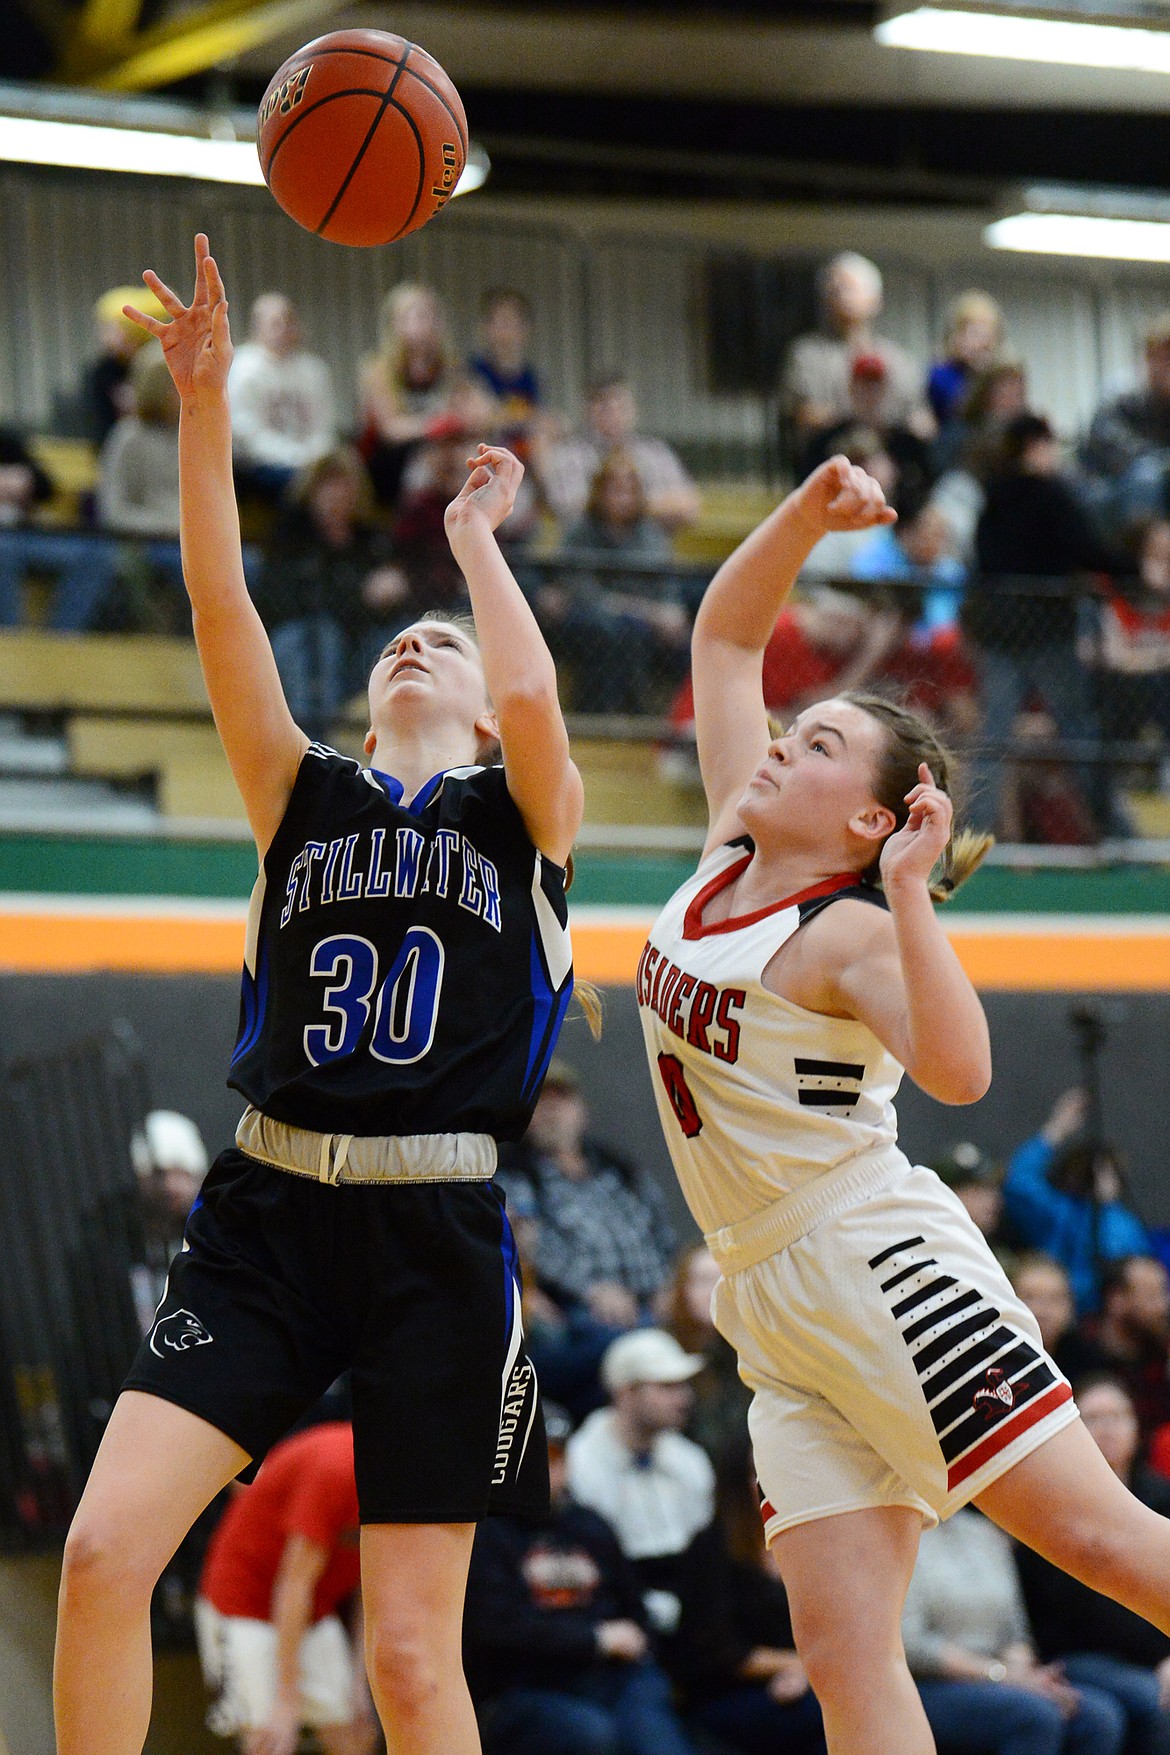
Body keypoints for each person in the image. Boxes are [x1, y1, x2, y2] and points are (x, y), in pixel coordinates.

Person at [54, 234, 589, 1755]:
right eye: (395, 636)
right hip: (269, 1216)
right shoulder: (302, 794)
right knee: (101, 1556)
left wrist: (476, 541)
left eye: (448, 640)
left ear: (481, 704)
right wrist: (205, 403)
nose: (415, 639)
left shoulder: (522, 816)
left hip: (439, 1233)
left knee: (412, 1661)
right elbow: (219, 600)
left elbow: (539, 698)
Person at [634, 448, 1170, 1755]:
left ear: (873, 820)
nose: (779, 737)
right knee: (839, 1646)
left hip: (876, 1259)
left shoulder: (851, 932)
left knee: (1106, 1540)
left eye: (816, 741)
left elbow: (960, 1072)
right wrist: (806, 516)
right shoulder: (727, 846)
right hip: (768, 1296)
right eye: (793, 723)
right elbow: (724, 632)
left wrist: (915, 897)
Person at [463, 1402, 696, 1755]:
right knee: (591, 1735)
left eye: (554, 1459)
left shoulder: (591, 1526)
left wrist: (630, 1643)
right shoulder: (485, 1535)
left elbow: (636, 1615)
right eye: (531, 1461)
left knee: (654, 1734)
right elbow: (492, 1631)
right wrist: (594, 1638)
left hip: (607, 1677)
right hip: (521, 1686)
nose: (545, 1473)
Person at [966, 411, 1125, 837]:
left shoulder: (993, 497)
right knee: (1077, 731)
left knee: (994, 737)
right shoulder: (1050, 495)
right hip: (1046, 633)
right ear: (1034, 446)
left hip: (999, 631)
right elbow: (1086, 548)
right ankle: (1115, 832)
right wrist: (1133, 570)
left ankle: (967, 838)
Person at [194, 1421, 376, 1755]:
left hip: (313, 1608)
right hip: (243, 1602)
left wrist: (359, 1684)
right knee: (268, 1737)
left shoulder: (410, 1489)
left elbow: (372, 1589)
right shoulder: (337, 1467)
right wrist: (286, 1700)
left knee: (354, 1730)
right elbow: (293, 1585)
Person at [1016, 1374, 1170, 1754]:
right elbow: (1077, 1612)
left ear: (1136, 1428)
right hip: (1077, 1655)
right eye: (1095, 1419)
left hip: (1151, 1655)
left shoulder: (1161, 1495)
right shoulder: (1049, 1503)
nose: (1109, 1429)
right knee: (1151, 1700)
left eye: (1119, 1417)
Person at [902, 1504, 1125, 1754]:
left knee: (1097, 1717)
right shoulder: (901, 1534)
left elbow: (1016, 1629)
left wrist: (1021, 1671)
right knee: (1035, 1717)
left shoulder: (983, 1531)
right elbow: (912, 1645)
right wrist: (1000, 1674)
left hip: (1000, 1672)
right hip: (933, 1682)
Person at [671, 1435, 826, 1754]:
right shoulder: (711, 1547)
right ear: (738, 1485)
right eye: (764, 1472)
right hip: (727, 1694)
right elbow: (720, 1652)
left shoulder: (806, 1540)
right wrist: (799, 1666)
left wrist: (804, 1671)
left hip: (799, 1684)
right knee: (833, 1717)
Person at [498, 1060, 678, 1329]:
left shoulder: (619, 1169)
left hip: (658, 1299)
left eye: (562, 1098)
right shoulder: (517, 1178)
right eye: (541, 1100)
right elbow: (531, 1247)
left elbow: (662, 1231)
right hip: (581, 1309)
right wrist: (592, 1290)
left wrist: (673, 1286)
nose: (552, 1110)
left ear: (581, 1110)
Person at [250, 447, 408, 743]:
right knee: (318, 638)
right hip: (298, 643)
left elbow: (391, 603)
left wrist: (396, 588)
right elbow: (290, 601)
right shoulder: (291, 537)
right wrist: (361, 593)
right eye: (328, 484)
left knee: (403, 636)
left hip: (358, 645)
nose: (337, 493)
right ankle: (311, 744)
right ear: (311, 490)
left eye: (345, 484)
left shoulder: (369, 541)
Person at [567, 1329, 714, 1638]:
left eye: (684, 1385)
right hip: (619, 1601)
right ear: (625, 1392)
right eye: (666, 1386)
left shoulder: (690, 1459)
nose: (684, 1398)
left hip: (689, 1597)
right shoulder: (582, 1462)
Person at [546, 451, 690, 712]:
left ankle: (671, 724)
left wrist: (670, 612)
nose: (621, 497)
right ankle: (602, 715)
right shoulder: (581, 531)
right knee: (614, 631)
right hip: (590, 623)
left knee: (686, 644)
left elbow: (667, 593)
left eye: (628, 490)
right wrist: (638, 611)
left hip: (645, 626)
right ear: (599, 492)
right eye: (614, 489)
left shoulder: (652, 534)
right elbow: (580, 590)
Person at [781, 252, 934, 475]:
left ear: (876, 298)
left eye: (849, 286)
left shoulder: (899, 360)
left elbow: (920, 418)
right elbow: (801, 413)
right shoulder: (806, 355)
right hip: (828, 458)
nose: (839, 293)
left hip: (891, 459)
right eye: (833, 288)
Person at [1002, 1087, 1150, 1315]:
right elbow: (1018, 1183)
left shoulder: (1123, 1225)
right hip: (1052, 1307)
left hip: (1101, 1319)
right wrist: (1055, 1131)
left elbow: (1126, 1269)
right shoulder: (1058, 1211)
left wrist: (1105, 1205)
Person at [540, 377, 701, 535]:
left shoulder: (655, 452)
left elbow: (689, 508)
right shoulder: (569, 455)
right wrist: (653, 508)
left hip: (648, 553)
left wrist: (627, 506)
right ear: (587, 412)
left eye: (621, 406)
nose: (614, 414)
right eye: (604, 407)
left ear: (633, 410)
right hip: (590, 551)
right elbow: (567, 506)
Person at [228, 293, 337, 502]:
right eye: (275, 323)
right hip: (260, 465)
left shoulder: (313, 370)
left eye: (289, 322)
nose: (283, 330)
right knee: (308, 488)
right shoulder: (243, 367)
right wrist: (297, 459)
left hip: (310, 463)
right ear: (257, 327)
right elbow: (246, 435)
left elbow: (325, 427)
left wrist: (314, 460)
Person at [358, 283, 455, 509]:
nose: (423, 322)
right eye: (414, 315)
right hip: (388, 459)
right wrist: (436, 424)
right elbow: (390, 430)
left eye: (428, 315)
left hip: (432, 451)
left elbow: (473, 409)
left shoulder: (449, 367)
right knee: (435, 460)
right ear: (395, 322)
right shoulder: (378, 368)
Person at [661, 1243, 754, 1461]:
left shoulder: (750, 1347)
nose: (712, 1291)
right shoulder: (664, 1346)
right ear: (682, 1290)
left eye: (721, 1281)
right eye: (701, 1282)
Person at [1082, 314, 1170, 536]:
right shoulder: (1121, 396)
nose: (1165, 367)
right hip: (1112, 489)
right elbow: (1112, 449)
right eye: (1160, 357)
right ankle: (1143, 563)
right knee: (1147, 475)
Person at [1086, 1257, 1170, 1448]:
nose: (1162, 1307)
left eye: (1163, 1293)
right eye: (1151, 1295)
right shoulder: (1078, 1353)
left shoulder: (1162, 1355)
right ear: (1116, 1299)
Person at [1010, 1255, 1101, 1386]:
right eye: (1029, 1297)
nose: (1042, 1311)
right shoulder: (990, 1357)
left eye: (1055, 1299)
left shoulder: (1088, 1362)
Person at [927, 290, 1005, 431]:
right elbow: (959, 411)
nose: (983, 341)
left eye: (989, 334)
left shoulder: (999, 375)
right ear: (956, 335)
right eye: (975, 333)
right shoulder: (941, 375)